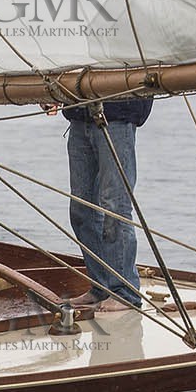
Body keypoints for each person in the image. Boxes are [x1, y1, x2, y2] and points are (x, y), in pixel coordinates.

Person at [59, 98, 151, 312]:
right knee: (81, 210)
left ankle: (125, 292)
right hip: (78, 116)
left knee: (115, 208)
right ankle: (100, 287)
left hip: (117, 118)